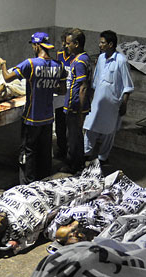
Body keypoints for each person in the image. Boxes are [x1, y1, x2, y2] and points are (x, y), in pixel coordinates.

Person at [0, 160, 104, 253]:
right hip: (44, 200)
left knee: (58, 184)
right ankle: (90, 184)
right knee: (73, 191)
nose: (0, 217)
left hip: (34, 190)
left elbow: (8, 195)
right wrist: (17, 244)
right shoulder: (19, 227)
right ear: (6, 230)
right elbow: (31, 234)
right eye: (1, 223)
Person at [0, 32, 66, 184]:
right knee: (45, 152)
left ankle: (27, 185)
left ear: (36, 46)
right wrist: (47, 86)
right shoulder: (58, 65)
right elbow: (62, 90)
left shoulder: (30, 63)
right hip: (48, 118)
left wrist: (2, 64)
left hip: (32, 118)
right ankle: (43, 182)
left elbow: (7, 77)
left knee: (28, 152)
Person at [83, 30, 134, 164]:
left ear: (110, 44)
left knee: (108, 132)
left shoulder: (121, 61)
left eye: (102, 43)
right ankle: (86, 153)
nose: (100, 45)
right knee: (90, 127)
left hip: (112, 103)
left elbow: (127, 85)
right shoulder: (100, 58)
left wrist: (124, 104)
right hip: (97, 102)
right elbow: (96, 80)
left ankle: (103, 157)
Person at [63, 28, 91, 174]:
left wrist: (80, 112)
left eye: (69, 43)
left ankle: (74, 166)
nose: (66, 46)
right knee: (75, 136)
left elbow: (83, 87)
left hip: (75, 107)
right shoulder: (81, 58)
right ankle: (76, 163)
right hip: (74, 106)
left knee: (73, 138)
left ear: (76, 44)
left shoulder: (80, 62)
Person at [54, 28, 74, 161]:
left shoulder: (78, 57)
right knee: (60, 125)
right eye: (64, 42)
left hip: (72, 95)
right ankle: (61, 149)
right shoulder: (59, 54)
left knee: (71, 127)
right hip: (61, 96)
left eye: (67, 43)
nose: (65, 45)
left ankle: (71, 153)